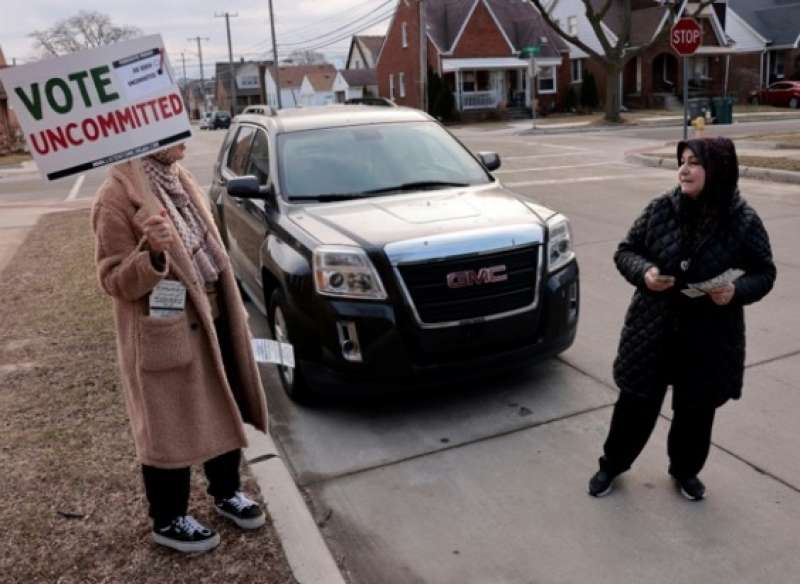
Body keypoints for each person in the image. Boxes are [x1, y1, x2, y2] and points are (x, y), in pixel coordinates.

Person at [92, 143, 269, 553]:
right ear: (146, 138)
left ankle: (226, 492)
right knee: (167, 425)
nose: (184, 138)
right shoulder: (115, 197)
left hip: (213, 317)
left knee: (220, 404)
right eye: (173, 132)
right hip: (165, 327)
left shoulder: (180, 181)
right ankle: (168, 519)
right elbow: (112, 281)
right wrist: (150, 251)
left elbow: (210, 250)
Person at [588, 137, 776, 501]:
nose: (684, 169)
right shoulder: (661, 208)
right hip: (653, 325)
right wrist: (646, 273)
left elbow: (764, 272)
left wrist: (736, 291)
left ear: (717, 169)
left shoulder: (744, 220)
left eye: (694, 162)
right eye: (682, 161)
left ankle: (685, 471)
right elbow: (626, 250)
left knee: (696, 408)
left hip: (709, 333)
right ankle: (611, 464)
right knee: (636, 402)